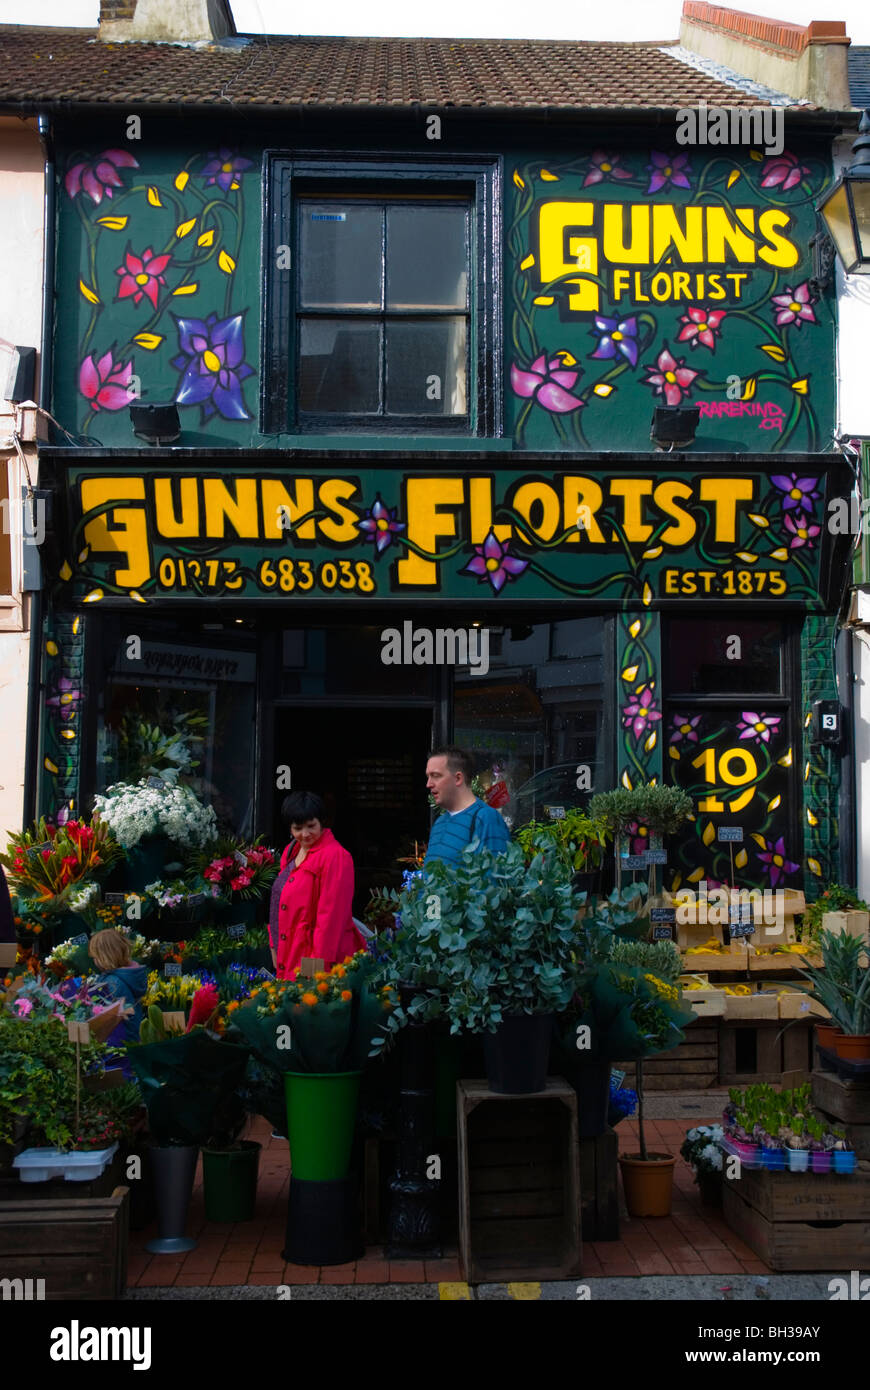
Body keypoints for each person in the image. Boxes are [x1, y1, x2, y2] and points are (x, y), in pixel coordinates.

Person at [269, 790, 364, 980]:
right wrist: (274, 947)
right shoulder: (291, 851)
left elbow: (329, 922)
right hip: (290, 953)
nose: (305, 834)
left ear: (322, 822)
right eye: (298, 828)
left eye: (311, 826)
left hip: (316, 962)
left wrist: (312, 973)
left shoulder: (336, 857)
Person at [423, 746, 511, 868]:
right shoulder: (439, 822)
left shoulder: (486, 819)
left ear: (458, 778)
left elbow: (494, 882)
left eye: (436, 775)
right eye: (428, 776)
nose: (428, 784)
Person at [87, 929, 147, 1070]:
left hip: (119, 1044)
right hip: (131, 1037)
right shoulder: (127, 975)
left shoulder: (113, 983)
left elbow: (107, 1017)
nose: (94, 961)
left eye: (95, 957)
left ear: (105, 957)